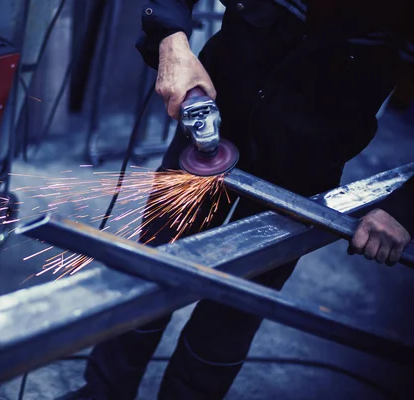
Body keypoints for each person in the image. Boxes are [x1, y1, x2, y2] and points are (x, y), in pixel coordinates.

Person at [60, 0, 414, 399]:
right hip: (212, 117)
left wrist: (404, 207)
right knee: (151, 267)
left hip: (305, 161)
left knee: (235, 308)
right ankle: (102, 391)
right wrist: (171, 41)